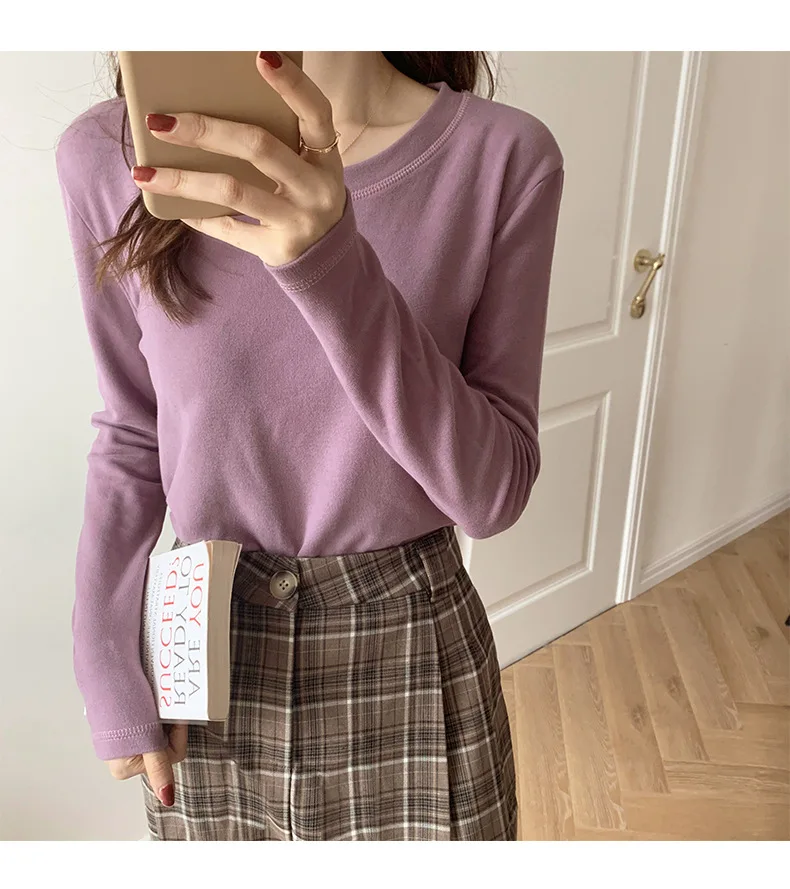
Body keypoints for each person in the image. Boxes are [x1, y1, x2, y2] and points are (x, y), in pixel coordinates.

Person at [56, 50, 564, 841]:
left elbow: (493, 494)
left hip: (409, 648)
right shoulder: (110, 152)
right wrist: (104, 655)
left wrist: (330, 264)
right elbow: (131, 426)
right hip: (204, 648)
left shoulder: (501, 157)